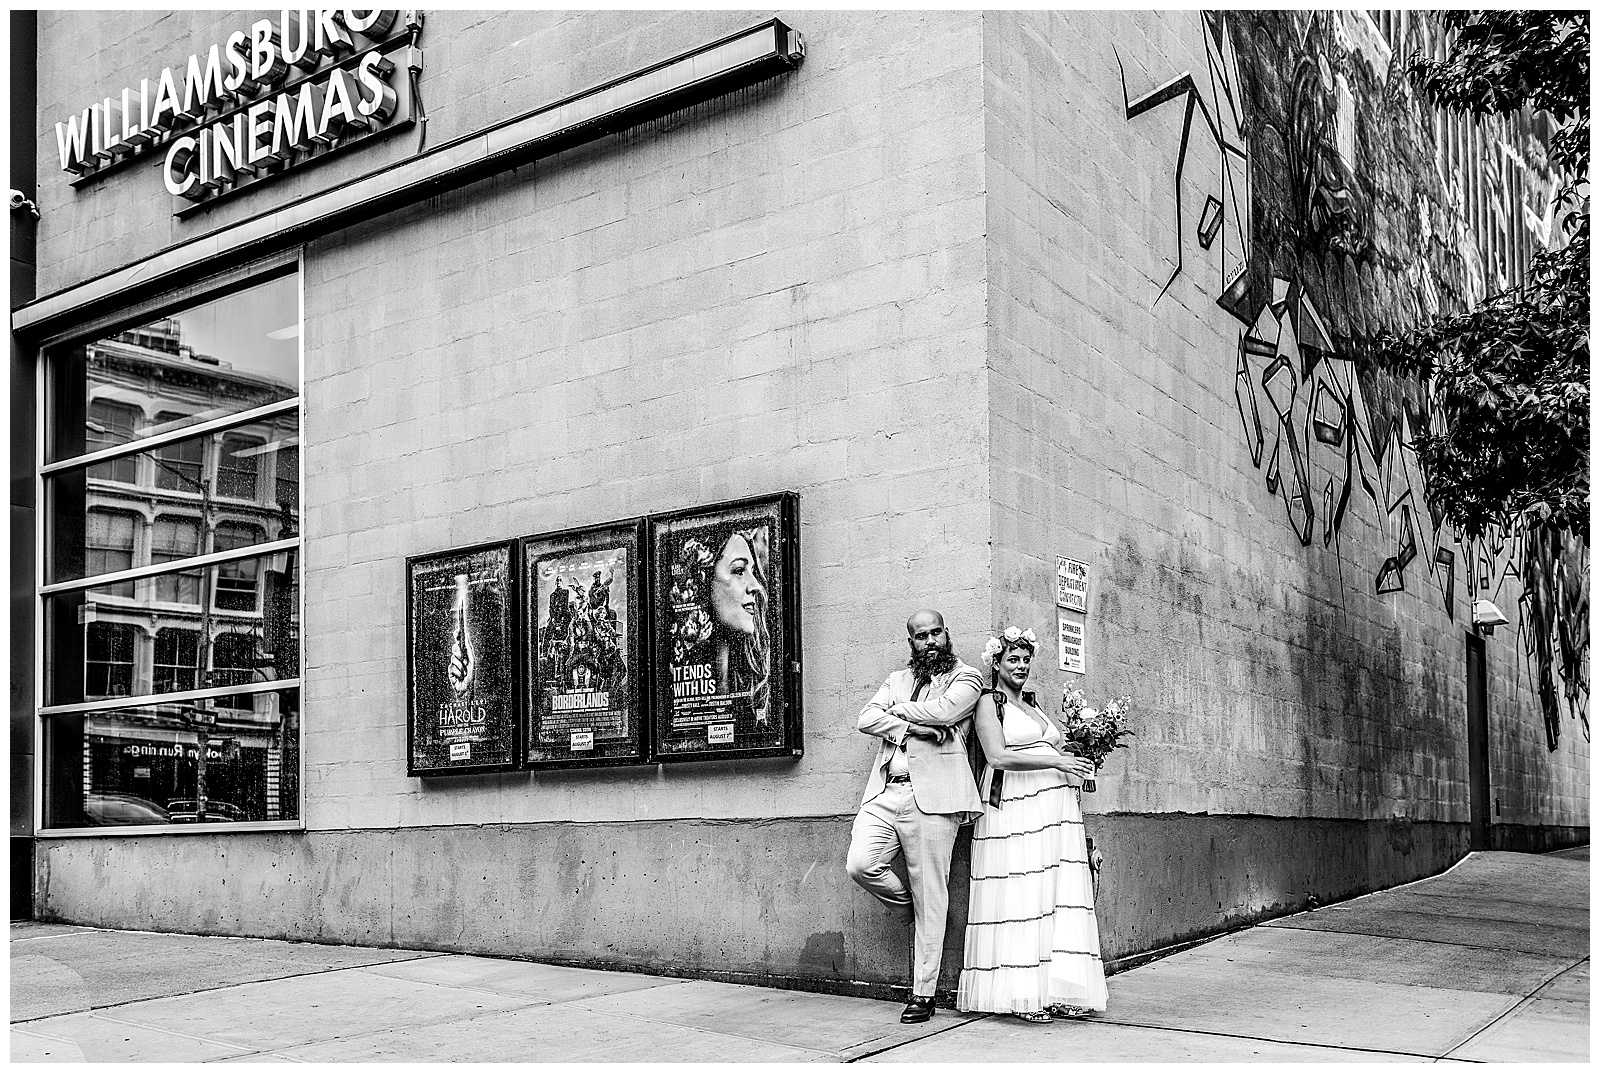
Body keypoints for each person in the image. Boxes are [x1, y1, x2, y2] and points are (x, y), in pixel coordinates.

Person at [957, 627, 1107, 1023]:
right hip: (1014, 809)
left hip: (1051, 811)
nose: (1021, 666)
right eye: (1013, 660)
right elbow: (998, 756)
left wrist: (1080, 757)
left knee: (1051, 895)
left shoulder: (1035, 705)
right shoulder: (990, 703)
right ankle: (1022, 994)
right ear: (997, 663)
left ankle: (1054, 989)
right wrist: (1057, 762)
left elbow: (1053, 748)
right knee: (1022, 892)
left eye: (1025, 660)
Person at [849, 609, 986, 1024]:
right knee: (861, 864)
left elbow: (946, 711)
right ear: (911, 642)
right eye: (920, 636)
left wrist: (901, 714)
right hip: (886, 791)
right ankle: (911, 909)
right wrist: (915, 729)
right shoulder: (897, 678)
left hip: (935, 798)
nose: (929, 641)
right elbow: (865, 718)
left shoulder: (968, 677)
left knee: (934, 892)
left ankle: (922, 994)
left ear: (947, 634)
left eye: (935, 633)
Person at [670, 527, 772, 723]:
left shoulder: (760, 681)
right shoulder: (673, 685)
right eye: (739, 571)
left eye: (751, 571)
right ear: (703, 582)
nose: (755, 586)